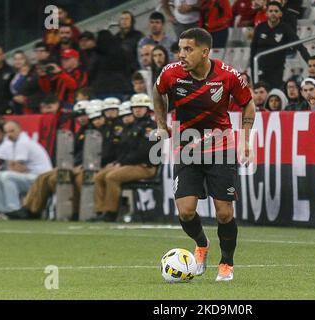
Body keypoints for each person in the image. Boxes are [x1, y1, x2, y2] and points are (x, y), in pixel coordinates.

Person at [153, 28, 255, 281]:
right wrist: (160, 123)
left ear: (205, 52)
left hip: (220, 149)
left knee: (224, 213)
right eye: (179, 49)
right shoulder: (171, 73)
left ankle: (226, 264)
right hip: (187, 150)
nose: (181, 55)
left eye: (188, 49)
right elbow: (157, 92)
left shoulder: (229, 76)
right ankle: (201, 244)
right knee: (186, 211)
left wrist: (245, 138)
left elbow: (248, 103)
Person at [93, 93, 158, 222]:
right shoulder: (131, 126)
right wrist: (118, 162)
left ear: (147, 109)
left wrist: (122, 163)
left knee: (112, 177)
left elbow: (144, 151)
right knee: (98, 177)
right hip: (128, 164)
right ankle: (100, 210)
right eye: (135, 107)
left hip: (145, 166)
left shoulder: (151, 127)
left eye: (141, 107)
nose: (137, 110)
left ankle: (111, 212)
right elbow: (123, 149)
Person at [0, 121, 52, 218]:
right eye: (7, 132)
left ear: (19, 130)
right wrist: (14, 166)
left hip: (40, 177)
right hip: (30, 176)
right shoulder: (13, 143)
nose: (9, 135)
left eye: (12, 131)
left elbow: (19, 168)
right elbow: (16, 167)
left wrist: (14, 166)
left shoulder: (23, 142)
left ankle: (14, 209)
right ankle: (4, 210)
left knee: (6, 176)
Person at [250, 2, 309, 89]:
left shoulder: (285, 28)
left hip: (276, 71)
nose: (273, 13)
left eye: (276, 11)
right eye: (270, 11)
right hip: (260, 69)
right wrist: (252, 73)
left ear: (280, 14)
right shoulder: (260, 28)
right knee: (260, 95)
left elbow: (299, 45)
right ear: (266, 13)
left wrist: (310, 61)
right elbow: (252, 52)